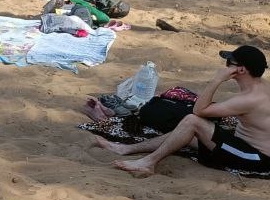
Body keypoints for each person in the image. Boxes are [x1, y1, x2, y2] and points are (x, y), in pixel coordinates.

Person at [97, 46, 270, 177]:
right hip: (243, 144)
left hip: (256, 158)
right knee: (186, 133)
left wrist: (217, 79)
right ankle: (126, 149)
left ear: (240, 70)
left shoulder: (248, 99)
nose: (225, 67)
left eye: (228, 63)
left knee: (192, 121)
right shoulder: (261, 87)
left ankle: (148, 162)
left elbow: (199, 110)